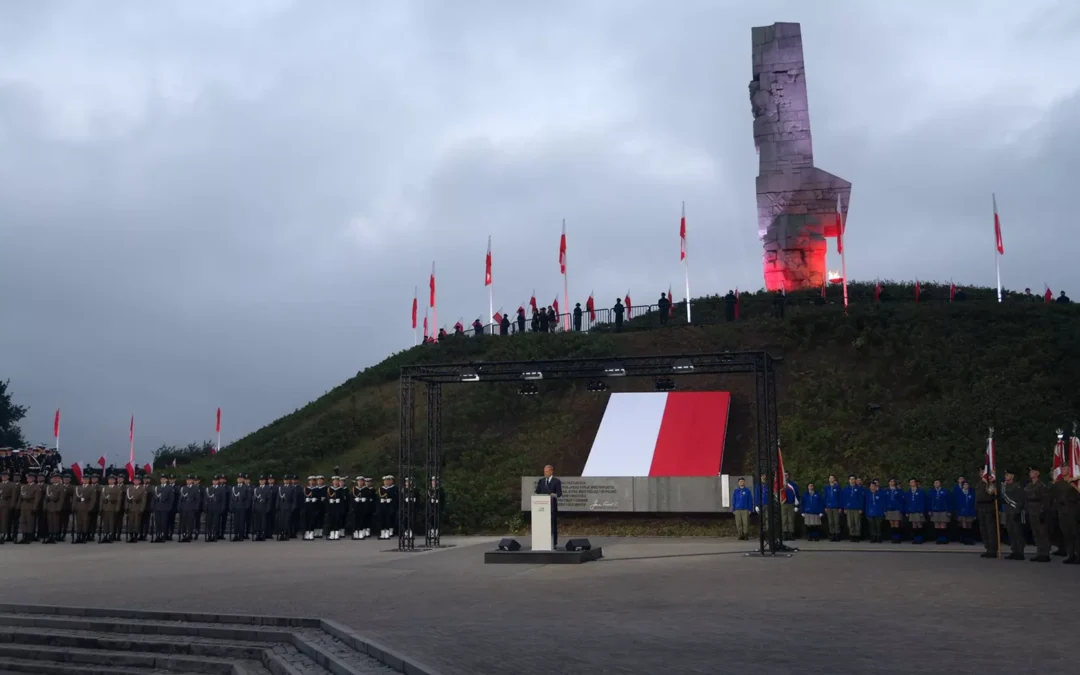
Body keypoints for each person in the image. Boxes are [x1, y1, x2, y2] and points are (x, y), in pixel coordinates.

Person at [1025, 466, 1051, 562]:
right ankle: (1040, 552)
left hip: (1039, 510)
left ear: (1037, 473)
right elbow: (1026, 499)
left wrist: (1043, 511)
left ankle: (1045, 553)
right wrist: (1026, 511)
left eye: (1032, 471)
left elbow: (1046, 500)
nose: (1030, 473)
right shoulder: (1028, 486)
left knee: (1042, 533)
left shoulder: (1041, 485)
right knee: (1036, 533)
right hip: (1031, 511)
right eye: (1030, 471)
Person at [1000, 469, 1026, 560]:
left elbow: (1020, 499)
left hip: (1015, 511)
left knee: (1017, 532)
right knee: (1010, 532)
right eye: (1005, 475)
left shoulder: (1017, 486)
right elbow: (1003, 498)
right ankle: (1014, 551)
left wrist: (1018, 511)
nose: (1006, 476)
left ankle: (1020, 552)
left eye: (1008, 474)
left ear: (1012, 476)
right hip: (1007, 511)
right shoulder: (1004, 486)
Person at [535, 464, 562, 549]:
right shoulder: (541, 481)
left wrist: (554, 494)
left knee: (553, 525)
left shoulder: (556, 481)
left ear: (551, 471)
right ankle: (542, 541)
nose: (545, 473)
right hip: (542, 508)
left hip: (552, 507)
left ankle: (554, 543)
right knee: (542, 525)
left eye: (546, 471)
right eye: (544, 471)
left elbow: (559, 494)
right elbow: (537, 492)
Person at [975, 472, 999, 557]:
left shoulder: (991, 483)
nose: (982, 473)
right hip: (980, 507)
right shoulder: (979, 484)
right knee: (983, 529)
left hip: (989, 507)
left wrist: (989, 483)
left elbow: (991, 492)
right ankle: (988, 548)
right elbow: (977, 497)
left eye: (983, 471)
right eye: (981, 472)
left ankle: (993, 550)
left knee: (991, 530)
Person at [17, 473, 43, 544]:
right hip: (23, 507)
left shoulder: (36, 487)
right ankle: (24, 535)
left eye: (30, 478)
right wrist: (18, 506)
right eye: (28, 478)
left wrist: (34, 508)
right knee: (23, 521)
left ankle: (29, 537)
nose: (29, 479)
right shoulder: (24, 486)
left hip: (30, 506)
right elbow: (21, 497)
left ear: (34, 479)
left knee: (30, 522)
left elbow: (37, 499)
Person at [72, 474, 97, 544]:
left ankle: (84, 536)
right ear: (82, 480)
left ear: (89, 480)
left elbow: (93, 500)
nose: (85, 480)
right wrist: (73, 507)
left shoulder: (91, 488)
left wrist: (90, 508)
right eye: (84, 479)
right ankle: (78, 536)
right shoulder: (78, 488)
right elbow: (74, 498)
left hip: (86, 508)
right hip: (78, 508)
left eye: (86, 479)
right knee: (79, 522)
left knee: (85, 523)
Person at [43, 473, 68, 544]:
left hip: (56, 506)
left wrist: (59, 507)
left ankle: (56, 535)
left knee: (56, 522)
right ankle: (51, 534)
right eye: (54, 478)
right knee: (50, 522)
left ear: (59, 479)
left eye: (56, 478)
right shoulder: (49, 487)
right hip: (49, 507)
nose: (55, 479)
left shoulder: (61, 487)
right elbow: (45, 498)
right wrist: (45, 506)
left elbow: (62, 499)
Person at [125, 474, 149, 543]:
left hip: (137, 508)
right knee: (130, 523)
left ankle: (135, 536)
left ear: (139, 481)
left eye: (137, 480)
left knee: (137, 523)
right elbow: (127, 499)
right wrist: (126, 507)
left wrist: (142, 509)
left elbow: (144, 500)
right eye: (135, 480)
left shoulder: (142, 489)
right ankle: (131, 535)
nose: (135, 481)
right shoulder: (130, 488)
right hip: (130, 508)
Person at [99, 474, 123, 543]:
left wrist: (117, 508)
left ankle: (110, 535)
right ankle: (105, 534)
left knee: (112, 522)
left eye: (112, 480)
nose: (110, 481)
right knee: (105, 522)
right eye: (109, 479)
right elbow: (101, 499)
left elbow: (119, 500)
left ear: (115, 481)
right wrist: (101, 508)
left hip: (112, 508)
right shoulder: (104, 488)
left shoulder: (117, 488)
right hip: (105, 508)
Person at [177, 475, 202, 542]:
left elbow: (198, 499)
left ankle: (189, 534)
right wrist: (179, 506)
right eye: (187, 480)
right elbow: (180, 498)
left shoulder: (195, 488)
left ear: (192, 481)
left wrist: (196, 507)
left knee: (190, 522)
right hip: (183, 507)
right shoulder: (183, 488)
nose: (188, 481)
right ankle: (184, 534)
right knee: (183, 522)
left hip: (191, 507)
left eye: (190, 480)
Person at [204, 475, 228, 542]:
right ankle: (209, 535)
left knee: (216, 522)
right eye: (214, 480)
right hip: (209, 508)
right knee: (209, 522)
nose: (215, 481)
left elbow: (223, 499)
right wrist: (205, 507)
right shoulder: (209, 488)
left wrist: (222, 508)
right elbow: (206, 499)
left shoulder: (221, 489)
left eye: (216, 480)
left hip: (217, 507)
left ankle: (214, 535)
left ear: (218, 481)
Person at [903, 478, 928, 544]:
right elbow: (906, 503)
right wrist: (907, 511)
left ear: (916, 483)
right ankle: (915, 538)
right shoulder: (908, 492)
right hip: (911, 510)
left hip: (918, 510)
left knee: (919, 524)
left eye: (913, 482)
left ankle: (920, 538)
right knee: (913, 524)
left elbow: (923, 502)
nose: (912, 483)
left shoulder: (920, 491)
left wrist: (922, 511)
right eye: (910, 482)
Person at [841, 474, 865, 542]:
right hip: (849, 508)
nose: (852, 480)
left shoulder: (859, 489)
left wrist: (861, 508)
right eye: (850, 479)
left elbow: (861, 499)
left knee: (857, 522)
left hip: (857, 508)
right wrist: (844, 508)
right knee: (850, 523)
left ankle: (857, 536)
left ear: (855, 480)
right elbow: (844, 499)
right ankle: (852, 535)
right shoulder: (846, 489)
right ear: (849, 480)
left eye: (853, 479)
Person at [929, 479, 952, 544]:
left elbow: (949, 501)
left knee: (943, 524)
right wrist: (929, 510)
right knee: (936, 524)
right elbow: (929, 501)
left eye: (937, 482)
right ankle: (938, 538)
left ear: (940, 483)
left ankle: (944, 538)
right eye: (935, 483)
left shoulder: (945, 491)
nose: (936, 484)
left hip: (944, 510)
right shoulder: (931, 491)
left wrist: (949, 510)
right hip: (934, 510)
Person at [377, 475, 399, 540]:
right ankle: (382, 533)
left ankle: (387, 532)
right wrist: (381, 500)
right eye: (385, 481)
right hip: (383, 506)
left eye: (387, 480)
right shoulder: (381, 489)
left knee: (388, 519)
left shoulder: (394, 488)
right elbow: (379, 497)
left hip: (390, 506)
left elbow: (396, 498)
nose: (386, 482)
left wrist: (391, 500)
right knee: (382, 519)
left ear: (391, 481)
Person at [955, 479, 977, 545]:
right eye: (964, 484)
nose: (966, 486)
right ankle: (965, 538)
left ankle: (969, 538)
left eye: (967, 484)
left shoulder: (971, 493)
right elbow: (957, 503)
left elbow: (973, 503)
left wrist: (974, 513)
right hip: (962, 511)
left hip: (970, 511)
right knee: (964, 523)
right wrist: (958, 511)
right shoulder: (959, 493)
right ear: (962, 486)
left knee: (969, 524)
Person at [325, 476, 347, 540]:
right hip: (331, 507)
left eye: (337, 481)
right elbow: (327, 498)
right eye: (334, 480)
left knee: (337, 520)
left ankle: (336, 534)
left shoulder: (341, 489)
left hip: (338, 507)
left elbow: (343, 499)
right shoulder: (330, 489)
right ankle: (332, 534)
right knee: (331, 520)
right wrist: (330, 501)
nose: (335, 482)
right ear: (332, 482)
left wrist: (339, 501)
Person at [884, 478, 904, 543]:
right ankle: (893, 538)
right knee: (891, 524)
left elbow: (901, 501)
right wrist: (885, 509)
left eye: (893, 481)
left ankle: (897, 538)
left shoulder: (898, 490)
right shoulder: (886, 491)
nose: (892, 482)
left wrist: (901, 509)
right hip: (889, 509)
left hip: (896, 509)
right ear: (889, 483)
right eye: (891, 481)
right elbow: (884, 501)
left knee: (897, 523)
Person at [823, 475, 843, 541]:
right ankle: (832, 535)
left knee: (836, 522)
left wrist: (840, 507)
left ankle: (837, 535)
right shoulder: (827, 487)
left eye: (832, 478)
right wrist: (825, 506)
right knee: (830, 522)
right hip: (829, 507)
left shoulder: (837, 487)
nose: (831, 479)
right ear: (828, 480)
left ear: (834, 479)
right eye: (830, 478)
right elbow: (825, 497)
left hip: (836, 507)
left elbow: (840, 497)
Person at [0, 469, 16, 544]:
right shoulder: (0, 484)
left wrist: (12, 505)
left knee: (5, 520)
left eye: (5, 476)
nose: (3, 477)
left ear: (8, 477)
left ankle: (4, 534)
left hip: (6, 504)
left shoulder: (11, 484)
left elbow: (13, 496)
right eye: (2, 476)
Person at [427, 476, 446, 541]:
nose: (434, 482)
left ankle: (436, 532)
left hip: (437, 507)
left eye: (435, 481)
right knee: (430, 519)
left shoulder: (440, 490)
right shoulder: (429, 489)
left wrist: (437, 501)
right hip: (430, 507)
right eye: (433, 481)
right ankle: (431, 532)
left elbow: (442, 499)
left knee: (436, 519)